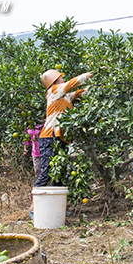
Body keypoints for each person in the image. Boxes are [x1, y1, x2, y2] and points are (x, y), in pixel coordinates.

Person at [29, 69, 92, 220]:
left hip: (61, 138)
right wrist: (91, 74)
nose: (63, 80)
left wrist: (100, 86)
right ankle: (33, 207)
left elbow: (81, 93)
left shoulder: (64, 96)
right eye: (61, 78)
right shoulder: (53, 91)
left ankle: (56, 208)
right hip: (48, 138)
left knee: (59, 174)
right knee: (47, 171)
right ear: (55, 81)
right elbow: (72, 84)